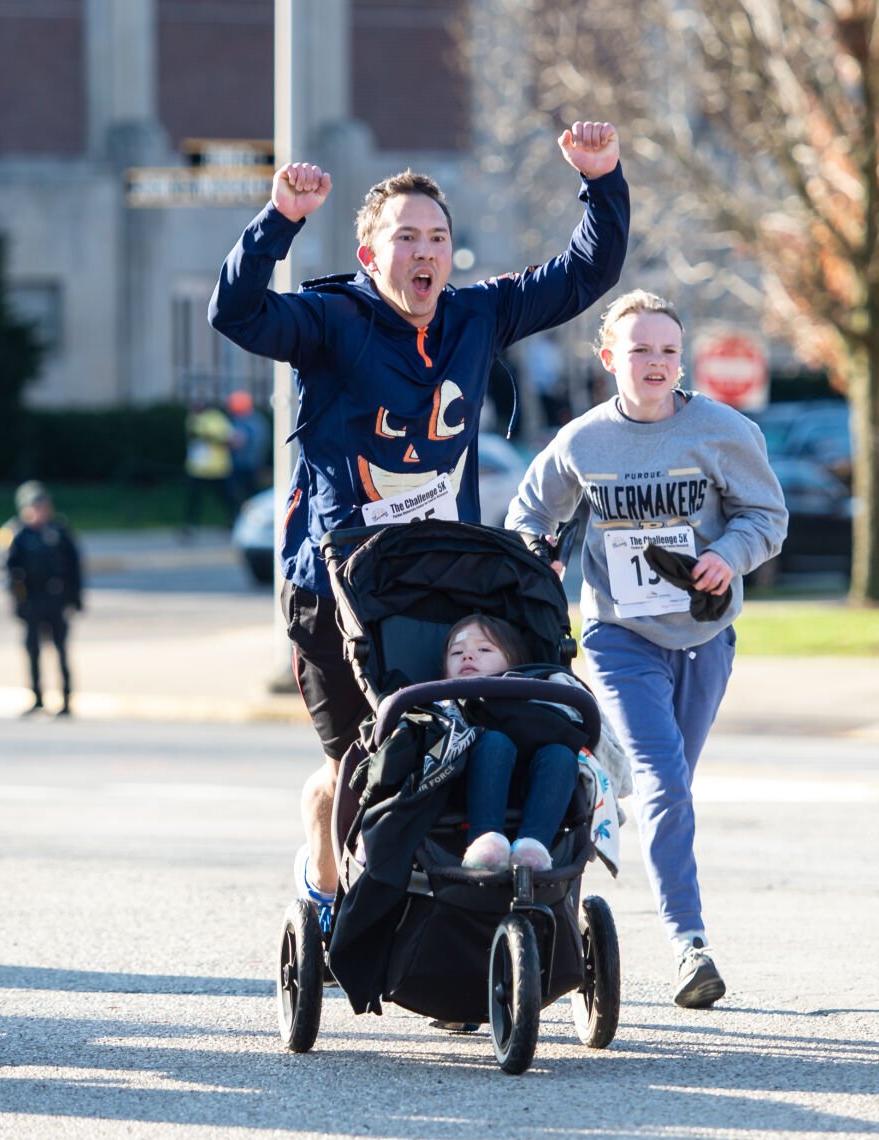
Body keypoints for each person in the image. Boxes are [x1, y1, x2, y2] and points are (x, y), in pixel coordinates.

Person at [208, 119, 629, 922]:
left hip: (438, 580)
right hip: (334, 588)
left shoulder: (476, 316)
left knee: (456, 749)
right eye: (406, 237)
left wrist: (601, 180)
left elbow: (584, 274)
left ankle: (451, 919)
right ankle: (325, 890)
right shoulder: (331, 322)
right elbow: (237, 313)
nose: (424, 251)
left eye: (436, 236)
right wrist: (278, 222)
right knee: (351, 765)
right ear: (372, 256)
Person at [505, 290, 788, 1009]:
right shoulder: (582, 441)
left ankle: (599, 778)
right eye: (639, 350)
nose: (656, 362)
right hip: (617, 635)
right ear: (609, 359)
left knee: (664, 787)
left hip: (701, 637)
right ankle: (688, 943)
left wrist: (728, 552)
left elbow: (767, 517)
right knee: (665, 783)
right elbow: (528, 512)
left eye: (666, 349)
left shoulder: (722, 431)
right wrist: (541, 551)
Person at [443, 613, 578, 873]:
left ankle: (534, 846)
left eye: (483, 649)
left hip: (532, 789)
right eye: (457, 652)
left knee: (560, 754)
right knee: (494, 742)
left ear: (514, 663)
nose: (467, 656)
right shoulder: (443, 707)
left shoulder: (539, 702)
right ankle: (486, 844)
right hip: (461, 789)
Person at [0, 480, 83, 718]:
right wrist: (17, 602)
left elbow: (74, 567)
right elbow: (5, 571)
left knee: (61, 651)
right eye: (37, 506)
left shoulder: (59, 531)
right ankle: (37, 698)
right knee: (33, 652)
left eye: (45, 506)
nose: (42, 511)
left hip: (56, 600)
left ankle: (66, 698)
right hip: (31, 601)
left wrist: (75, 599)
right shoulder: (14, 534)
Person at [183, 395, 238, 534]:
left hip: (217, 468)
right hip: (197, 468)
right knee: (195, 499)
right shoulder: (192, 419)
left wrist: (208, 437)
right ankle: (190, 525)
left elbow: (230, 440)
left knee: (226, 498)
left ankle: (233, 521)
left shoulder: (216, 418)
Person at [226, 388, 270, 498]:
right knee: (237, 492)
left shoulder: (254, 421)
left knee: (251, 491)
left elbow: (256, 441)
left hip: (251, 463)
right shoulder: (237, 419)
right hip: (237, 463)